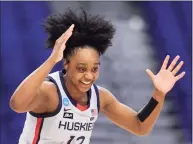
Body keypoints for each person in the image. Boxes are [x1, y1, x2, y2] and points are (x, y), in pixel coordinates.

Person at [10, 8, 185, 144]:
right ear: (66, 63)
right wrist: (51, 60)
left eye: (94, 69)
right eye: (81, 69)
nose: (89, 76)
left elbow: (140, 126)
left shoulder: (100, 97)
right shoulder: (50, 92)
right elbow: (17, 104)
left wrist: (159, 94)